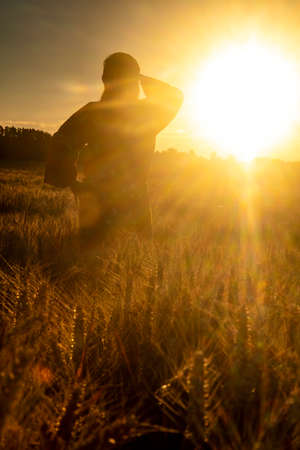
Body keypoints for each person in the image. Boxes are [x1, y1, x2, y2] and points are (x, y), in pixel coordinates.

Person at [45, 52, 183, 246]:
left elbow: (60, 142)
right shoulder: (147, 113)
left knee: (87, 265)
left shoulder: (93, 113)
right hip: (135, 204)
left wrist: (73, 183)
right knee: (136, 266)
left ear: (104, 79)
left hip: (96, 204)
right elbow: (174, 96)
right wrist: (138, 76)